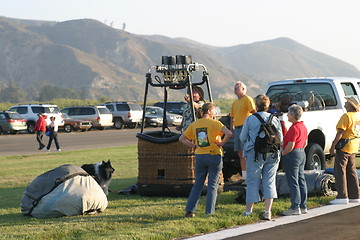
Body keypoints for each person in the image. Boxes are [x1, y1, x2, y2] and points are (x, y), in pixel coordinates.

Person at [179, 103, 232, 217]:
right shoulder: (215, 123)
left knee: (198, 184)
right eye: (214, 111)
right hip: (214, 155)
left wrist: (193, 146)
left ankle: (190, 210)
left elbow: (182, 138)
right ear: (209, 112)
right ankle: (209, 212)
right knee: (212, 185)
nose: (215, 113)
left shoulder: (195, 124)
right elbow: (229, 133)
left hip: (200, 156)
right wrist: (222, 143)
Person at [240, 95, 283, 220]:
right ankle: (267, 211)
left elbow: (242, 138)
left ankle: (249, 211)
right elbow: (281, 137)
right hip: (273, 153)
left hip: (255, 153)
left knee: (253, 181)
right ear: (268, 105)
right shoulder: (274, 119)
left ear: (256, 105)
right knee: (269, 181)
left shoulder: (250, 119)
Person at [329, 96, 360, 204]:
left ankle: (342, 196)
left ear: (351, 105)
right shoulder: (356, 116)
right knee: (351, 171)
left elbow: (340, 132)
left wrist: (333, 146)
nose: (345, 103)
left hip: (344, 146)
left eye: (347, 102)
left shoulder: (346, 116)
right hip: (354, 145)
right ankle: (355, 195)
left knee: (340, 170)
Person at [281, 104, 308, 216]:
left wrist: (282, 154)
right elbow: (305, 142)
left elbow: (290, 145)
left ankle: (295, 206)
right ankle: (303, 205)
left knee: (293, 181)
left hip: (293, 154)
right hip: (301, 152)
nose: (287, 115)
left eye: (288, 113)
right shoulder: (303, 126)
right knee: (301, 180)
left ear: (292, 114)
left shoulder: (294, 128)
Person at [230, 81, 256, 182]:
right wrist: (231, 128)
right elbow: (232, 117)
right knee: (240, 152)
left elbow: (254, 112)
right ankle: (244, 175)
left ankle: (250, 175)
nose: (235, 89)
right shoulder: (235, 103)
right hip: (237, 128)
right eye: (235, 87)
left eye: (237, 87)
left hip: (245, 128)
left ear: (243, 89)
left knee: (247, 152)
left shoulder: (248, 99)